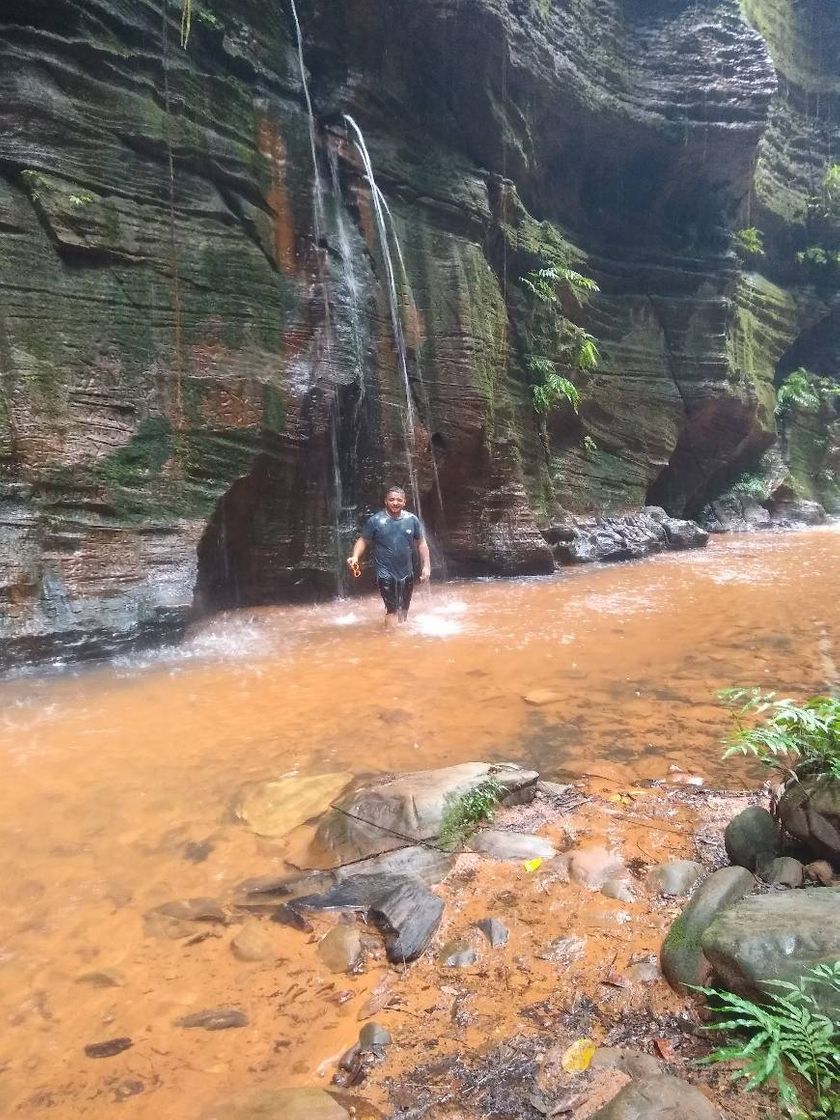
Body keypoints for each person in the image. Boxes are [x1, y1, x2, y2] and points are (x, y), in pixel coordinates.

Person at [347, 487, 431, 624]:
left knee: (404, 608)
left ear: (404, 502)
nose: (395, 503)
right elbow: (363, 540)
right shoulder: (375, 521)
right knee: (392, 609)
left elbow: (421, 543)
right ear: (386, 501)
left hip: (406, 571)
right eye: (391, 499)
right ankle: (392, 638)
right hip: (385, 572)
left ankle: (399, 638)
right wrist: (355, 556)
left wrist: (426, 566)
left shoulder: (412, 520)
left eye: (399, 500)